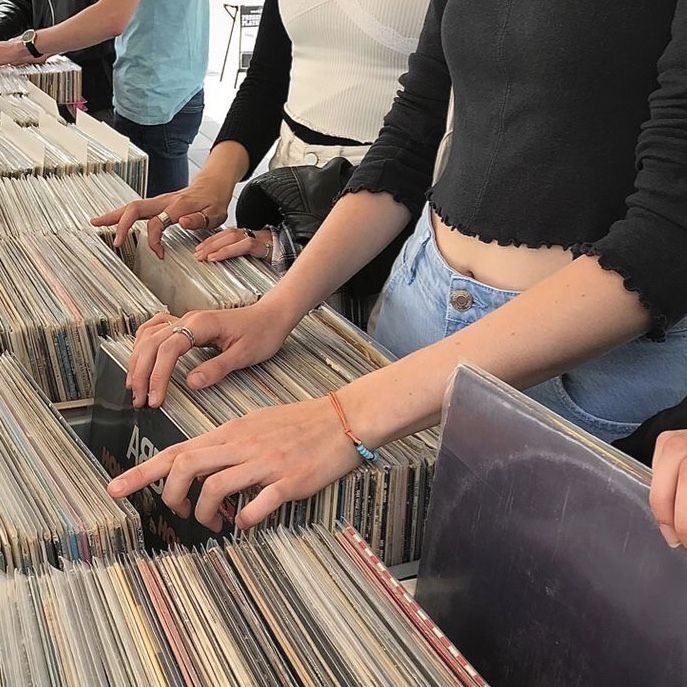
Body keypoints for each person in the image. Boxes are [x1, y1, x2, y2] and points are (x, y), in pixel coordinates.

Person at [105, 0, 687, 535]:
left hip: (578, 361)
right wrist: (274, 310)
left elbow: (667, 235)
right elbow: (408, 141)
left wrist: (345, 417)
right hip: (416, 306)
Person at [92, 0, 429, 325]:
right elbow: (267, 81)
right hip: (285, 193)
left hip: (389, 217)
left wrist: (295, 242)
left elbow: (440, 128)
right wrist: (212, 183)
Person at [0, 0, 209, 196]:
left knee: (152, 217)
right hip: (171, 86)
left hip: (153, 96)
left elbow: (112, 16)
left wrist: (25, 47)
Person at [0, 0, 115, 121]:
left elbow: (110, 18)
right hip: (47, 87)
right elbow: (23, 4)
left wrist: (27, 47)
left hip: (105, 92)